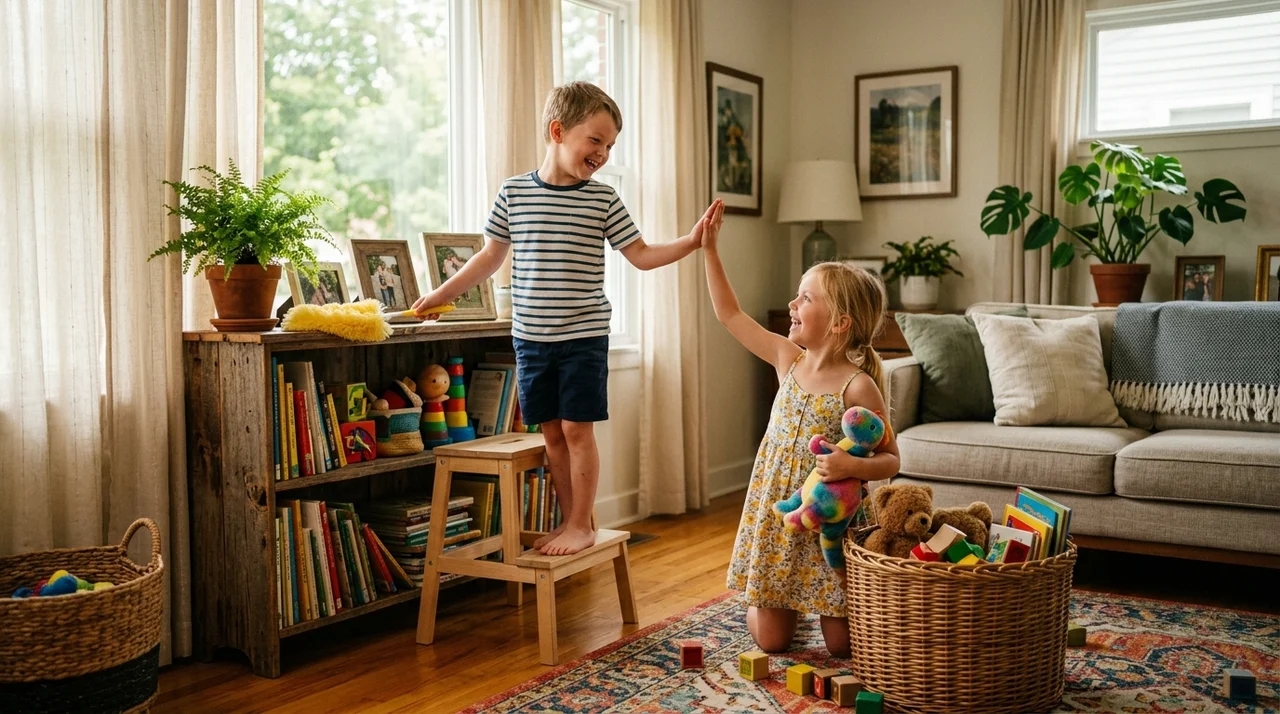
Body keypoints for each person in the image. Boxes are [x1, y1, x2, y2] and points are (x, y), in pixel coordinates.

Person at [411, 81, 718, 556]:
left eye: (610, 145)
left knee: (577, 429)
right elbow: (489, 258)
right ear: (558, 131)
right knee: (552, 432)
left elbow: (641, 255)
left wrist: (692, 241)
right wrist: (439, 295)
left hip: (584, 335)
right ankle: (571, 521)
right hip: (531, 339)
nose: (603, 153)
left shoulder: (603, 200)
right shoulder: (514, 192)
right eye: (596, 140)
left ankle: (580, 524)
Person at [702, 201, 900, 658]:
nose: (792, 304)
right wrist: (710, 249)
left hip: (832, 524)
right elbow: (730, 314)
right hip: (783, 516)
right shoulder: (786, 359)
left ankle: (820, 606)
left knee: (843, 647)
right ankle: (765, 600)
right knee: (772, 642)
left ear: (839, 323)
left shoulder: (858, 385)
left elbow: (892, 459)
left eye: (806, 298)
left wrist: (850, 464)